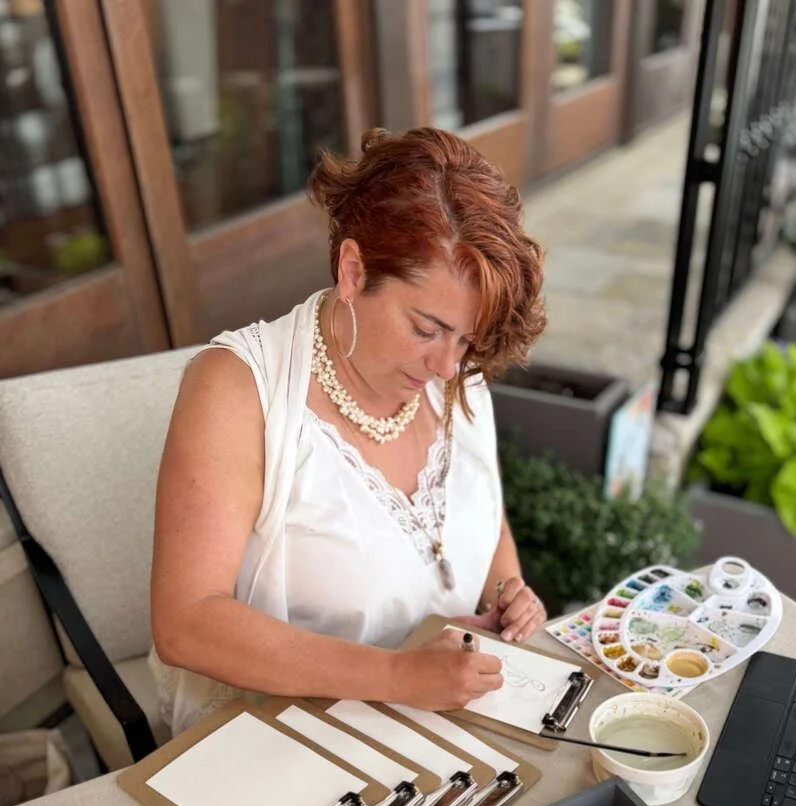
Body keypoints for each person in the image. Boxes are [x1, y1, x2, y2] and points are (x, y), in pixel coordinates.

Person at [150, 127, 548, 736]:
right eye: (426, 327)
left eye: (467, 339)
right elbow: (186, 621)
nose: (448, 366)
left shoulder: (456, 377)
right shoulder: (236, 390)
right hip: (278, 738)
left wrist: (507, 593)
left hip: (438, 721)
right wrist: (396, 678)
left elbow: (483, 520)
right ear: (354, 270)